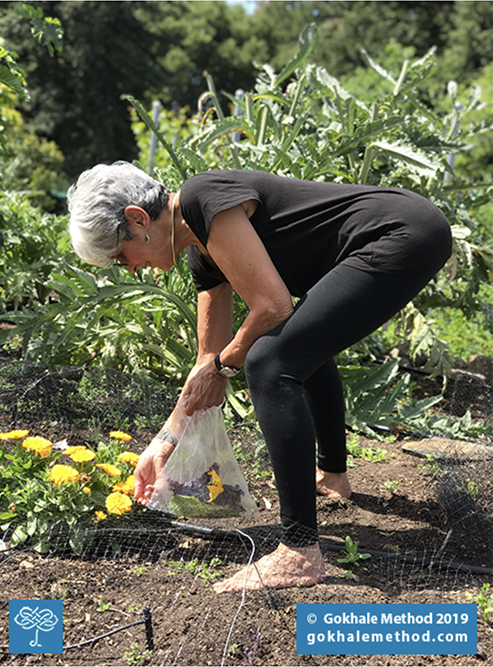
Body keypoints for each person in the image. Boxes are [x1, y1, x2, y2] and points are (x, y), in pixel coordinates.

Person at [68, 161, 452, 592]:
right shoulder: (201, 252)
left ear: (138, 220)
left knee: (269, 362)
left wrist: (226, 365)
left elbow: (272, 307)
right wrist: (165, 442)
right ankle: (332, 475)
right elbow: (206, 359)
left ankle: (299, 552)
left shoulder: (201, 197)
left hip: (399, 232)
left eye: (122, 257)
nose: (133, 269)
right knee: (292, 347)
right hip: (397, 232)